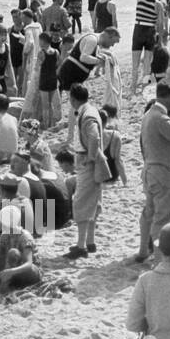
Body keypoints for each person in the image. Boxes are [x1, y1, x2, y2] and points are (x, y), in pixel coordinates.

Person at [136, 73, 170, 261]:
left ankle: (143, 251)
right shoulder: (161, 118)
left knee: (148, 213)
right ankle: (160, 261)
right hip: (164, 174)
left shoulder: (148, 114)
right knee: (162, 219)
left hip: (150, 171)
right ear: (168, 96)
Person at [67, 83, 109, 257]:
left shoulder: (87, 114)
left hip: (87, 162)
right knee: (92, 203)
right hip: (90, 161)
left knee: (82, 202)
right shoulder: (90, 111)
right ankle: (90, 242)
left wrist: (89, 157)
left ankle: (81, 245)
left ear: (73, 99)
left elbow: (94, 137)